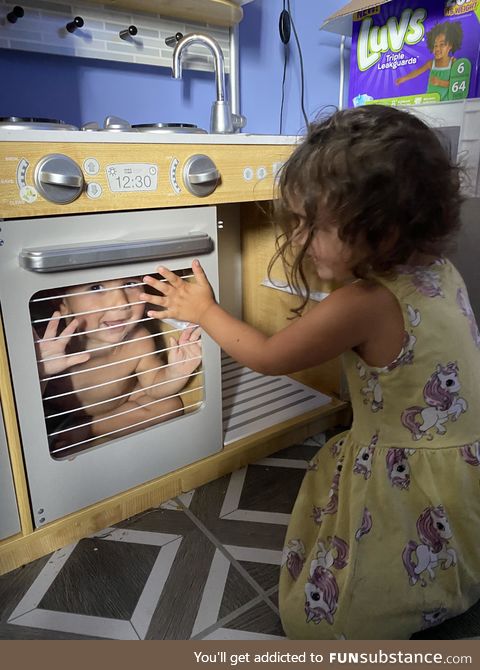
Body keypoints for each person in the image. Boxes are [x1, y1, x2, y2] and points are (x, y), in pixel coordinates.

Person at [141, 105, 480, 639]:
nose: (297, 239)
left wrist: (202, 309)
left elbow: (269, 357)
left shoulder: (366, 302)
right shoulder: (439, 270)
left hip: (405, 471)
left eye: (312, 225)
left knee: (323, 619)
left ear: (382, 231)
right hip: (454, 460)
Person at [35, 276, 202, 455]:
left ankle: (89, 428)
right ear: (63, 303)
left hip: (119, 403)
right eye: (95, 287)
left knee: (171, 406)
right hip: (54, 414)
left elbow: (154, 384)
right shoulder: (46, 344)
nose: (120, 303)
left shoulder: (139, 340)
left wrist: (175, 373)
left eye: (130, 284)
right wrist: (41, 371)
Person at [395, 21, 463, 101]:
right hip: (430, 100)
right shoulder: (431, 63)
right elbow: (417, 72)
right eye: (435, 45)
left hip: (446, 103)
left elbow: (456, 85)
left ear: (450, 45)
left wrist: (439, 82)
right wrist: (403, 78)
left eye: (442, 45)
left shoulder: (453, 63)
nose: (437, 49)